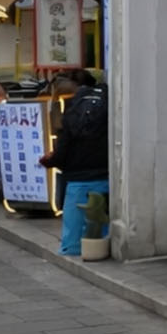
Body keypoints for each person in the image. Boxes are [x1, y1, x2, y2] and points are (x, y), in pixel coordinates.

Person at [40, 70, 109, 257]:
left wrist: (50, 161)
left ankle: (75, 249)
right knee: (102, 221)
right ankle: (102, 249)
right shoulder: (108, 102)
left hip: (77, 181)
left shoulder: (73, 110)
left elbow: (62, 151)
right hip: (107, 178)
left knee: (72, 238)